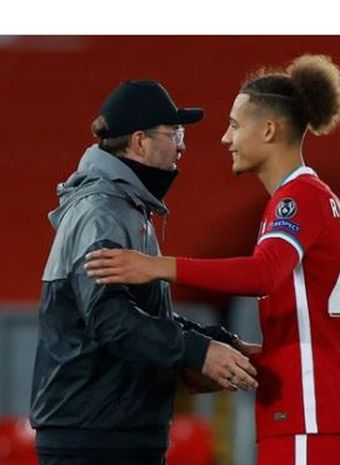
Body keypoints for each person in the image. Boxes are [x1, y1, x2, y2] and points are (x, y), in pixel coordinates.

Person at [85, 56, 340, 465]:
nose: (225, 138)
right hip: (323, 409)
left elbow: (261, 274)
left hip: (311, 413)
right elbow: (316, 325)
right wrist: (248, 357)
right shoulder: (317, 199)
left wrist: (155, 266)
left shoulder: (298, 198)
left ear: (269, 130)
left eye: (236, 125)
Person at [29, 80, 258, 465]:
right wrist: (196, 351)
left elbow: (140, 315)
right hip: (97, 439)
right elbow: (109, 318)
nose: (183, 145)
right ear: (139, 141)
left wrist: (218, 343)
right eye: (175, 133)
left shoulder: (123, 207)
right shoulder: (101, 211)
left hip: (112, 431)